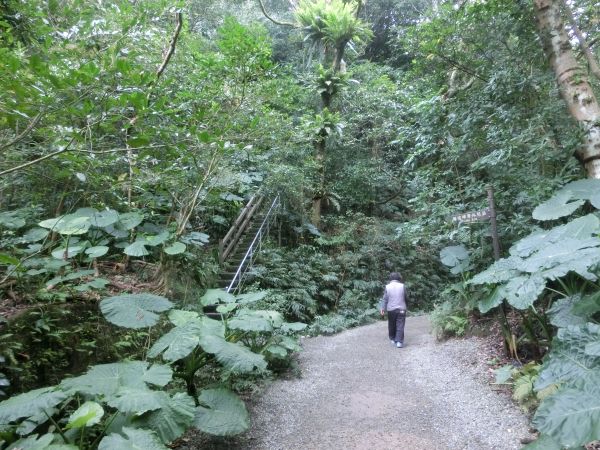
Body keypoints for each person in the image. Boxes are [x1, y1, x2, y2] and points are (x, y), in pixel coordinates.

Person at [380, 272, 408, 348]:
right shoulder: (402, 286)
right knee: (400, 325)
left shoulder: (387, 287)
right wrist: (407, 306)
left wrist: (383, 308)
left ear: (390, 278)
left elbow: (385, 299)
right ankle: (399, 342)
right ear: (399, 278)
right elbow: (406, 297)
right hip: (401, 309)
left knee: (391, 324)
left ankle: (392, 339)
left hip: (391, 309)